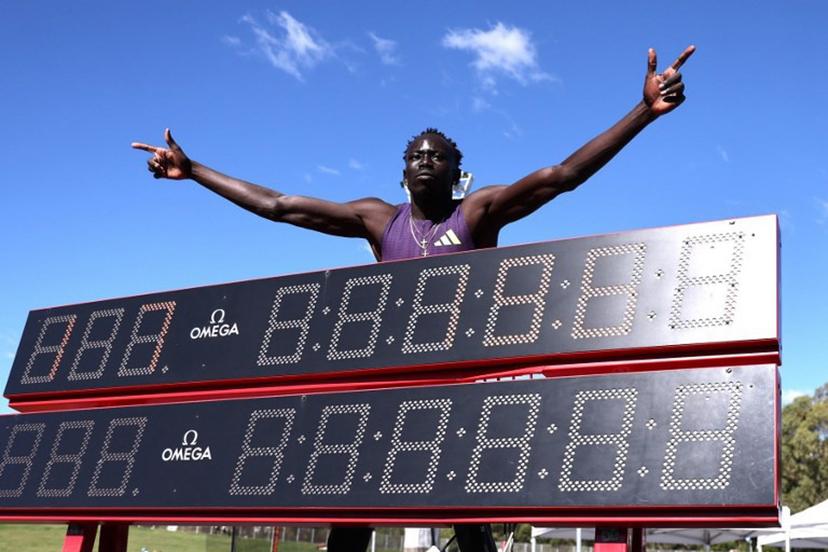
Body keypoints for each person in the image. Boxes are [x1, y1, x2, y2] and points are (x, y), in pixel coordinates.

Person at [133, 45, 694, 552]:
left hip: (458, 397)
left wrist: (642, 112)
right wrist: (195, 170)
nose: (425, 159)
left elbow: (561, 174)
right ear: (403, 172)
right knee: (350, 525)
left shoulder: (476, 213)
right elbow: (279, 205)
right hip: (385, 395)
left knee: (470, 527)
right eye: (416, 155)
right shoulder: (379, 220)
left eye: (438, 155)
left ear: (458, 171)